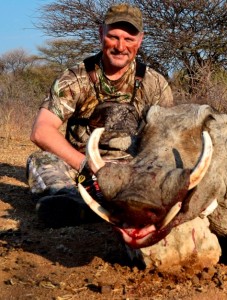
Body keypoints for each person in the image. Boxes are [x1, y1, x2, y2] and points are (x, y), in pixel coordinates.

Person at [26, 3, 174, 228]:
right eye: (113, 37)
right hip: (81, 169)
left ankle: (93, 208)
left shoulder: (155, 84)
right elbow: (41, 131)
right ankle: (90, 204)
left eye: (129, 39)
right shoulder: (75, 78)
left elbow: (167, 139)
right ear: (100, 34)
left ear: (140, 40)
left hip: (132, 173)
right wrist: (86, 165)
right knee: (41, 161)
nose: (120, 46)